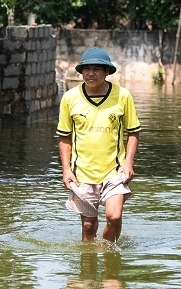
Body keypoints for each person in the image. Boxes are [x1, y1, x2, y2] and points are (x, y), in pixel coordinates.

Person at [57, 47, 141, 243]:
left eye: (97, 69)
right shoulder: (70, 98)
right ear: (81, 72)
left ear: (107, 72)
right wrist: (66, 170)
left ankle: (109, 255)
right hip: (82, 173)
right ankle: (88, 268)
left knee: (114, 216)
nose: (91, 73)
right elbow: (64, 137)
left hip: (114, 171)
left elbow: (133, 131)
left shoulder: (123, 96)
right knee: (88, 227)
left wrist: (128, 163)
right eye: (87, 69)